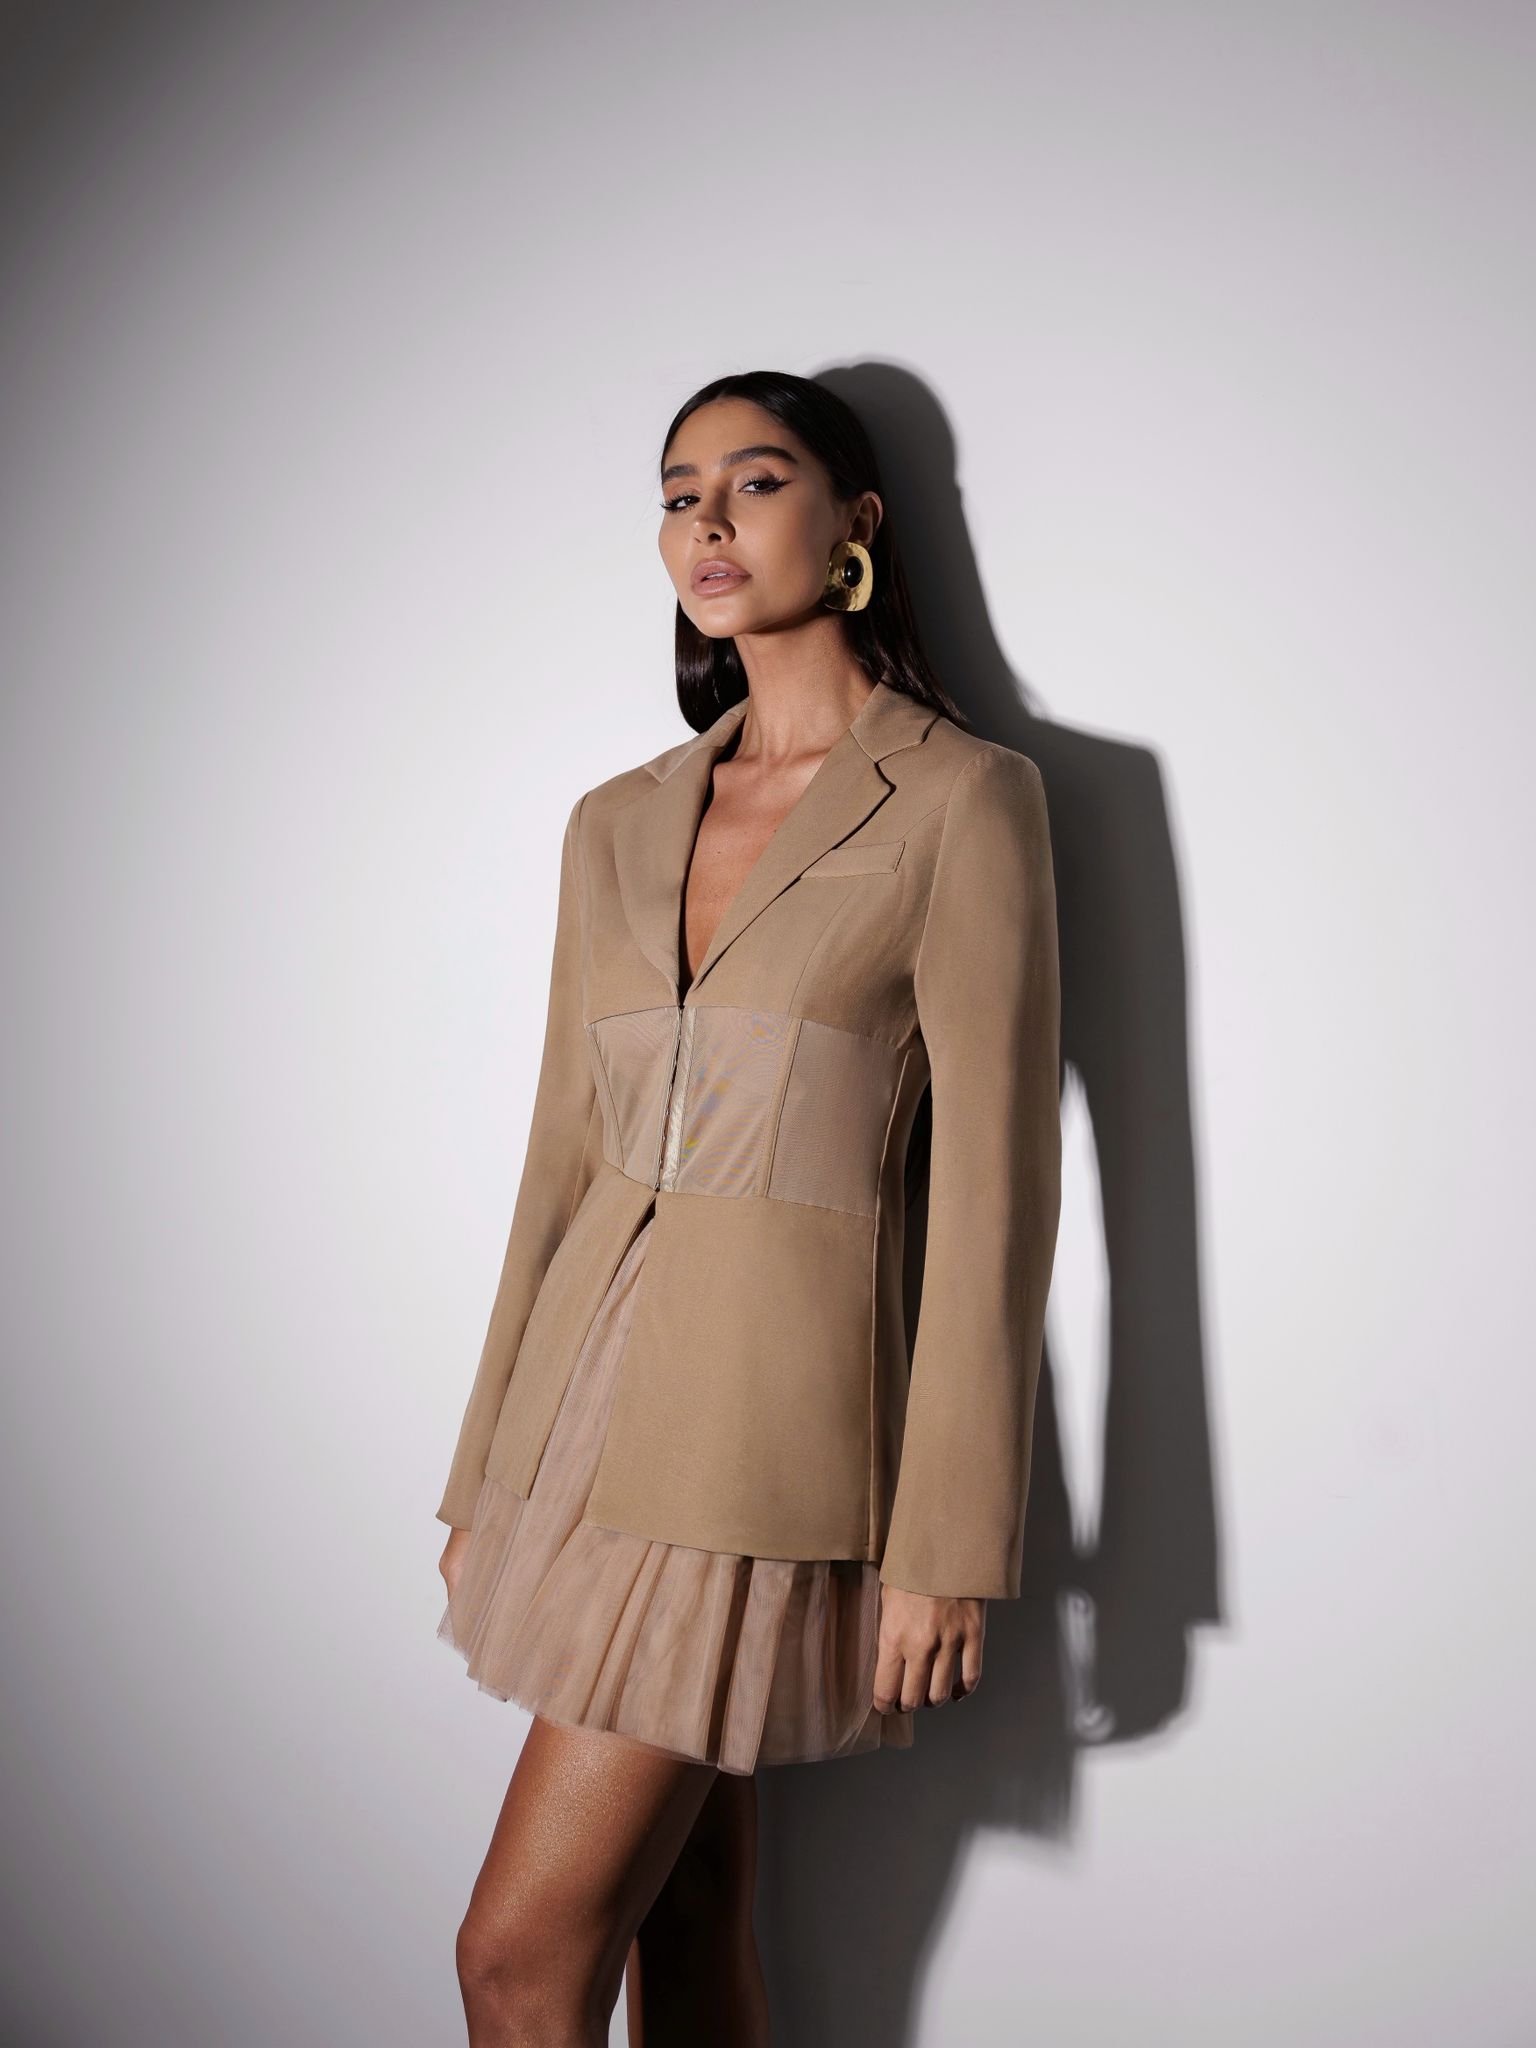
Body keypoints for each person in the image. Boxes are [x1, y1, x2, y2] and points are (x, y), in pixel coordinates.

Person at [435, 368, 1062, 2045]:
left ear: (855, 522)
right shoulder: (616, 821)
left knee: (514, 1958)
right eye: (676, 492)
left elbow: (997, 1198)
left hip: (760, 1435)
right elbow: (559, 1161)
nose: (706, 520)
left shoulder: (961, 799)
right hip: (579, 1423)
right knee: (691, 1925)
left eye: (756, 480)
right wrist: (488, 1464)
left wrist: (946, 1543)